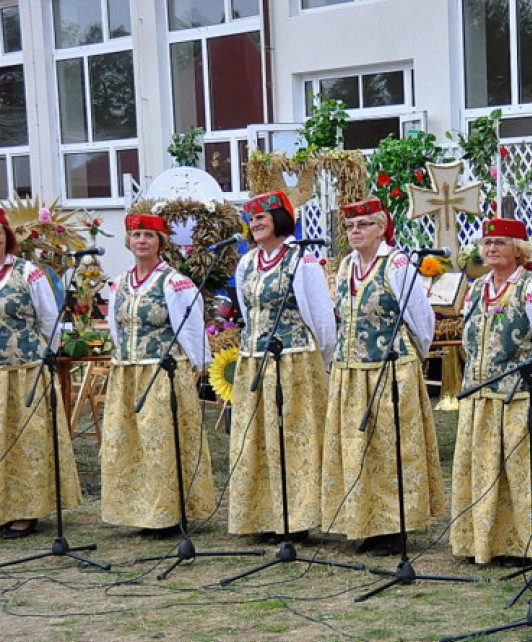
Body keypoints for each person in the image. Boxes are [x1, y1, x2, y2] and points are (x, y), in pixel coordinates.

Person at [321, 198, 444, 557]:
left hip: (390, 369)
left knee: (392, 448)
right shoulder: (345, 266)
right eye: (349, 226)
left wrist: (411, 361)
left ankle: (395, 526)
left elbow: (422, 321)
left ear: (381, 228)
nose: (355, 232)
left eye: (363, 225)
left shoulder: (398, 264)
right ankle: (365, 521)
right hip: (350, 371)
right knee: (358, 448)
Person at [450, 219, 532, 566]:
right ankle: (483, 541)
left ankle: (524, 544)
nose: (491, 249)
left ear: (519, 250)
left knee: (521, 470)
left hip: (522, 396)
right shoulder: (476, 288)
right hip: (481, 394)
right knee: (483, 467)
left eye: (500, 243)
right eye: (487, 243)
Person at [229, 190, 336, 543]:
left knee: (295, 438)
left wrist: (321, 359)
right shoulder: (247, 263)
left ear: (281, 219)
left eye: (262, 216)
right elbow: (247, 313)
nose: (255, 222)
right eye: (252, 218)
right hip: (255, 362)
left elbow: (321, 317)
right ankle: (264, 513)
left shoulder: (301, 260)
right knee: (258, 437)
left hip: (294, 361)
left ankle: (298, 518)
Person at [101, 213, 214, 538]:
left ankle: (168, 512)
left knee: (160, 441)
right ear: (128, 240)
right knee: (132, 441)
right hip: (128, 373)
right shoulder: (119, 283)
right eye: (136, 235)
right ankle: (140, 510)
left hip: (163, 373)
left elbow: (191, 330)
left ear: (160, 243)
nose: (141, 241)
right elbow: (116, 328)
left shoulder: (175, 283)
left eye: (149, 235)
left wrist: (198, 366)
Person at [0, 206, 82, 538]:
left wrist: (45, 356)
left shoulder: (28, 273)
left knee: (26, 443)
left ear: (6, 236)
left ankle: (27, 512)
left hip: (25, 372)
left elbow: (50, 321)